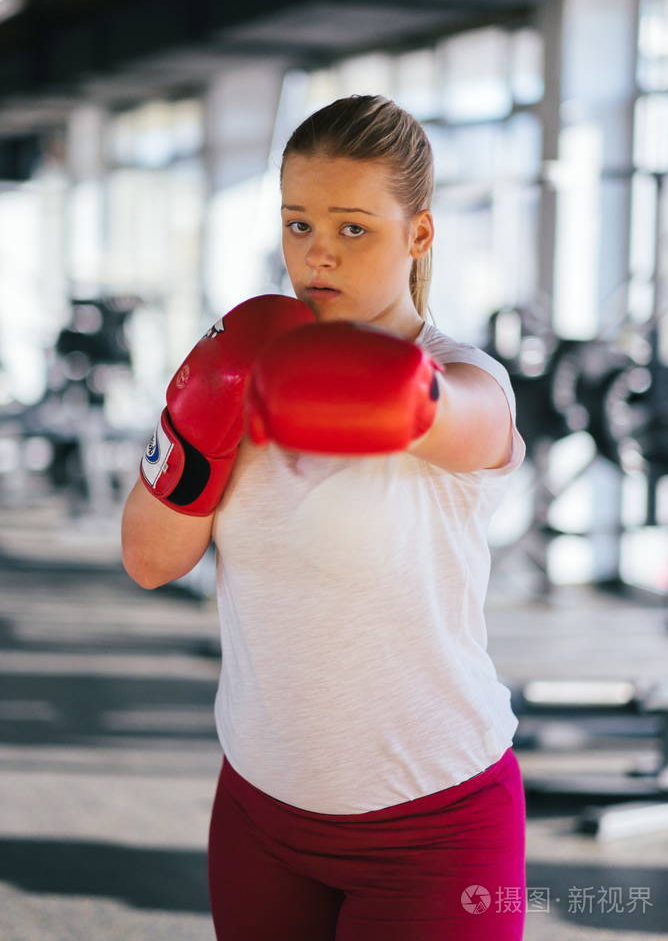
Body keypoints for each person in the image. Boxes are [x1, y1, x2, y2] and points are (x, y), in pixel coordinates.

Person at [121, 94, 528, 940]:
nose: (317, 256)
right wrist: (206, 412)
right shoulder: (242, 363)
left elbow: (474, 422)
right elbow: (150, 560)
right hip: (260, 816)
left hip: (436, 827)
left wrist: (391, 393)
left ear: (418, 234)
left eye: (352, 229)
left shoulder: (461, 374)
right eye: (298, 224)